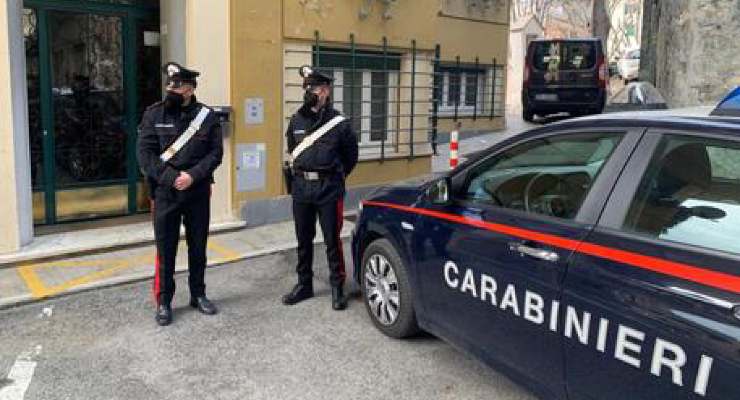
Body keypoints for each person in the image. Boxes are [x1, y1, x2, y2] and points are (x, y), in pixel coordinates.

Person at [137, 62, 223, 326]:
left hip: (196, 192)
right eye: (169, 84)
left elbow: (215, 154)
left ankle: (198, 294)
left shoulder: (207, 117)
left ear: (190, 89)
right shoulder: (154, 114)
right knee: (166, 249)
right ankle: (164, 301)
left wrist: (193, 176)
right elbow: (145, 155)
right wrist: (173, 178)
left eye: (177, 85)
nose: (171, 89)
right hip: (165, 193)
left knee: (198, 248)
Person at [282, 65, 358, 310]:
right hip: (302, 188)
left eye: (314, 87)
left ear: (325, 91)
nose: (309, 91)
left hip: (329, 189)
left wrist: (334, 176)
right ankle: (304, 285)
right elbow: (293, 151)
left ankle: (337, 287)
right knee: (303, 239)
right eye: (307, 87)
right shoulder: (296, 120)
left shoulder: (339, 123)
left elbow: (350, 157)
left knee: (332, 240)